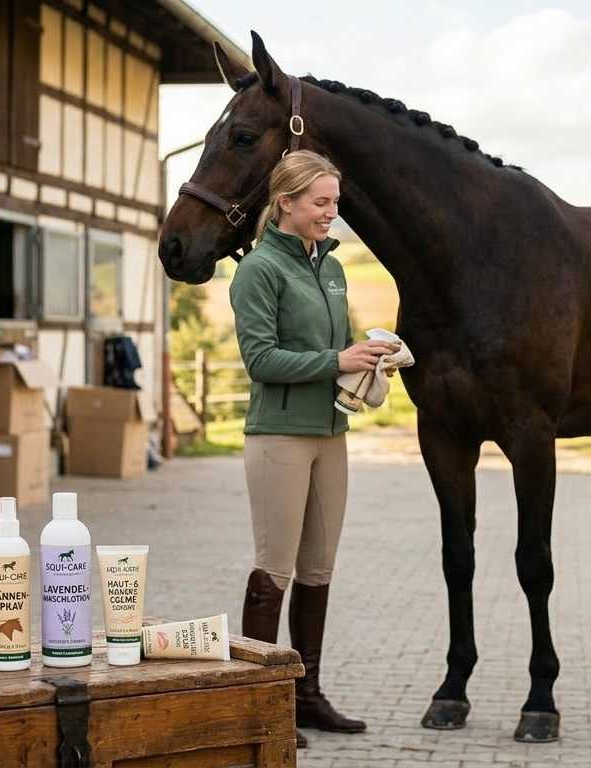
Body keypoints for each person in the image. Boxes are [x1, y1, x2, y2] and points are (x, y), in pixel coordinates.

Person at [229, 149, 399, 748]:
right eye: (321, 201)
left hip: (331, 435)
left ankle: (306, 696)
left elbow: (339, 347)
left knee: (318, 569)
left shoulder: (332, 267)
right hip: (278, 437)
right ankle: (257, 705)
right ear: (287, 203)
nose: (332, 211)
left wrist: (369, 358)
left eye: (335, 200)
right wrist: (336, 361)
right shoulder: (258, 271)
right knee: (274, 569)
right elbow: (261, 360)